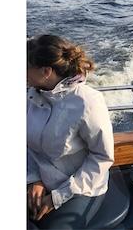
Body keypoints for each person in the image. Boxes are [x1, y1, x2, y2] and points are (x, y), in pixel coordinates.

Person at [27, 35, 114, 229]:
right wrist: (34, 180)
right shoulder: (30, 96)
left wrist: (58, 197)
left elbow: (102, 158)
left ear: (46, 71)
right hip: (39, 181)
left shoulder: (87, 102)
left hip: (80, 188)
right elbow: (26, 145)